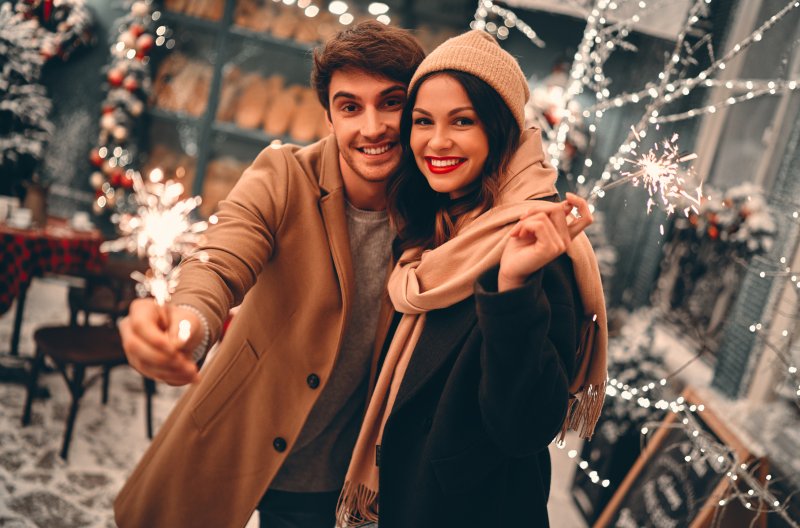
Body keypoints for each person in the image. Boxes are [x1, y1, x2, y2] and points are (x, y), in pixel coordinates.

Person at [113, 22, 425, 528]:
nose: (372, 127)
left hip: (326, 477)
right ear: (329, 117)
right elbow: (220, 258)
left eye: (392, 102)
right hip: (230, 439)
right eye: (350, 107)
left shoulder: (435, 217)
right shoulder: (284, 175)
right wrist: (187, 326)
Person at [336, 30, 608, 528]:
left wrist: (515, 288)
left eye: (462, 121)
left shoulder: (535, 241)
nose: (436, 141)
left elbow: (523, 428)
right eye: (422, 122)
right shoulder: (443, 225)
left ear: (500, 130)